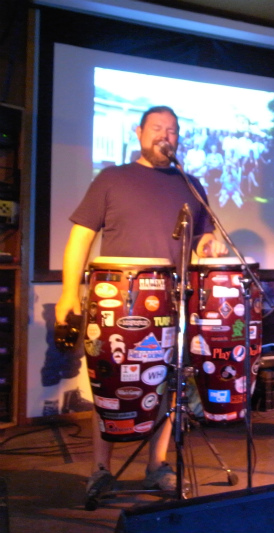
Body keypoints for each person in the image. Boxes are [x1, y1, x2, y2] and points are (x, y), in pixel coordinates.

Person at [55, 106, 228, 498]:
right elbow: (80, 238)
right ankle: (101, 470)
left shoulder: (190, 184)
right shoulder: (111, 178)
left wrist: (210, 245)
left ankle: (156, 465)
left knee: (167, 386)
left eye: (172, 130)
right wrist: (68, 293)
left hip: (171, 303)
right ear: (138, 132)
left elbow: (202, 239)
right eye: (157, 128)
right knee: (108, 384)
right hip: (115, 303)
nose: (165, 135)